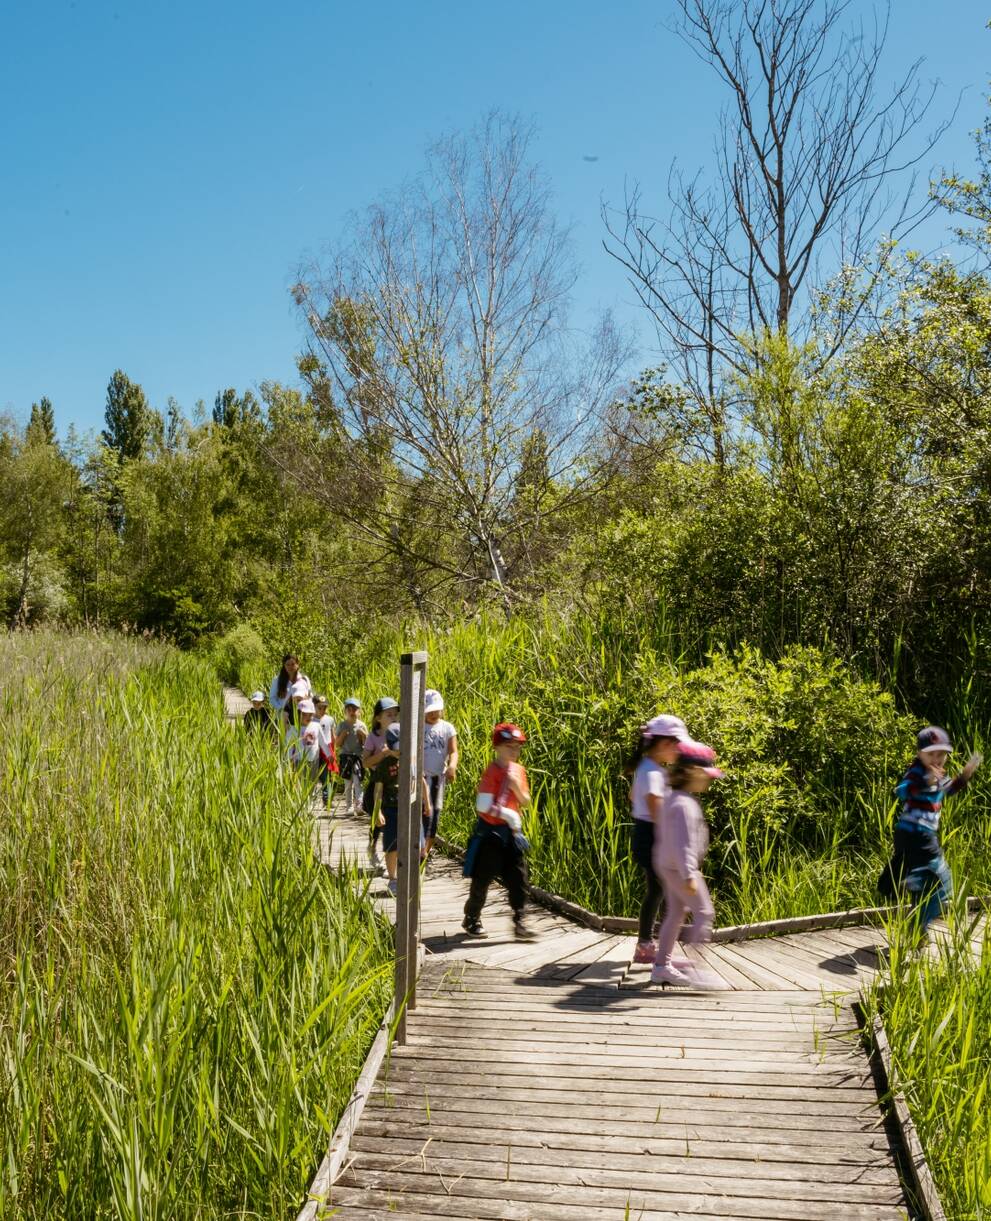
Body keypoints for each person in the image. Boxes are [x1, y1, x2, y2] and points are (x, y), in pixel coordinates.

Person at [878, 726, 982, 940]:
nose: (936, 758)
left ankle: (918, 927)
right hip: (916, 833)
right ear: (920, 754)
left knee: (926, 887)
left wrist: (965, 775)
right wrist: (927, 781)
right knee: (943, 883)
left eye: (941, 754)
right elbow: (902, 790)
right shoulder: (917, 772)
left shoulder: (937, 775)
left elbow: (949, 789)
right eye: (931, 753)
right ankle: (911, 887)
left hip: (913, 835)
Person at [651, 740, 724, 989]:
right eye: (706, 773)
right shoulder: (684, 804)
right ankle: (698, 971)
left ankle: (662, 965)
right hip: (681, 869)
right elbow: (683, 843)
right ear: (692, 771)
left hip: (668, 865)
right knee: (704, 914)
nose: (709, 779)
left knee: (676, 913)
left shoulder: (676, 798)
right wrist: (690, 874)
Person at [462, 722, 536, 941]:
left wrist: (515, 787)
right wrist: (509, 815)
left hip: (512, 835)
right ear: (498, 747)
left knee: (519, 877)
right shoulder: (492, 772)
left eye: (517, 746)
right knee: (483, 878)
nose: (514, 750)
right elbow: (483, 806)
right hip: (491, 833)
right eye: (509, 746)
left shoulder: (519, 771)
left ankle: (520, 921)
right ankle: (472, 917)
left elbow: (525, 801)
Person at [627, 714, 690, 964]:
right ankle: (656, 948)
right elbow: (654, 803)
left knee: (656, 890)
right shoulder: (653, 772)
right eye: (678, 746)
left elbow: (633, 796)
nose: (680, 751)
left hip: (644, 832)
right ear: (664, 744)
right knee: (665, 892)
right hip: (654, 835)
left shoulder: (646, 767)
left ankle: (647, 945)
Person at [376, 722, 432, 896]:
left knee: (420, 846)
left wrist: (427, 802)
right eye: (398, 749)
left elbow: (422, 782)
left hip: (412, 807)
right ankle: (393, 879)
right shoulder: (385, 764)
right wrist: (377, 811)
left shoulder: (413, 759)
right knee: (392, 845)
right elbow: (378, 789)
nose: (401, 752)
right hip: (392, 809)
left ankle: (414, 877)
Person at [363, 698, 399, 872]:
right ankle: (372, 847)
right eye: (389, 714)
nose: (393, 717)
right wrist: (383, 755)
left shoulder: (400, 734)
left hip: (395, 785)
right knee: (376, 821)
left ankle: (390, 860)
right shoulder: (374, 737)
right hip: (377, 784)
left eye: (395, 714)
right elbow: (365, 762)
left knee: (390, 823)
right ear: (378, 718)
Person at [421, 689, 458, 860]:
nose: (434, 713)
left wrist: (452, 766)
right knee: (420, 814)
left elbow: (453, 751)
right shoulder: (419, 728)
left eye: (437, 710)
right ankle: (418, 848)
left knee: (434, 815)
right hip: (420, 777)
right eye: (430, 710)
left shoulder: (447, 728)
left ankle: (425, 852)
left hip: (437, 779)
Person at [335, 697, 368, 816]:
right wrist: (343, 735)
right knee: (348, 783)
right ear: (345, 711)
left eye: (354, 709)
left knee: (358, 781)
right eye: (349, 709)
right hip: (345, 756)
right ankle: (348, 806)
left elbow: (366, 744)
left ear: (359, 711)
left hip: (358, 757)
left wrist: (363, 735)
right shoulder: (342, 725)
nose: (352, 712)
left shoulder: (361, 725)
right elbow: (337, 744)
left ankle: (359, 805)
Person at [287, 698, 322, 789]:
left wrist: (329, 754)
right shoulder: (294, 729)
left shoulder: (316, 726)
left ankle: (311, 801)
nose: (307, 717)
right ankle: (301, 800)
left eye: (310, 715)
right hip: (299, 760)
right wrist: (289, 759)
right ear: (298, 714)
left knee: (312, 782)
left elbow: (323, 742)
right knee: (299, 783)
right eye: (304, 714)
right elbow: (289, 747)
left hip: (314, 760)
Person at [269, 654, 312, 721]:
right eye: (287, 665)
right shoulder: (277, 680)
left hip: (302, 715)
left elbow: (310, 696)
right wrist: (281, 709)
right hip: (283, 716)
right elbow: (272, 698)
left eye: (293, 664)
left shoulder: (304, 679)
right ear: (284, 666)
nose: (290, 667)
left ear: (297, 665)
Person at [313, 695, 338, 809]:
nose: (322, 710)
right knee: (312, 775)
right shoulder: (310, 720)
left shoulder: (329, 719)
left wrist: (333, 751)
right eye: (319, 708)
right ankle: (311, 799)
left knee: (326, 776)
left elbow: (333, 736)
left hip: (326, 751)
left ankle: (327, 799)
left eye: (324, 708)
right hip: (313, 750)